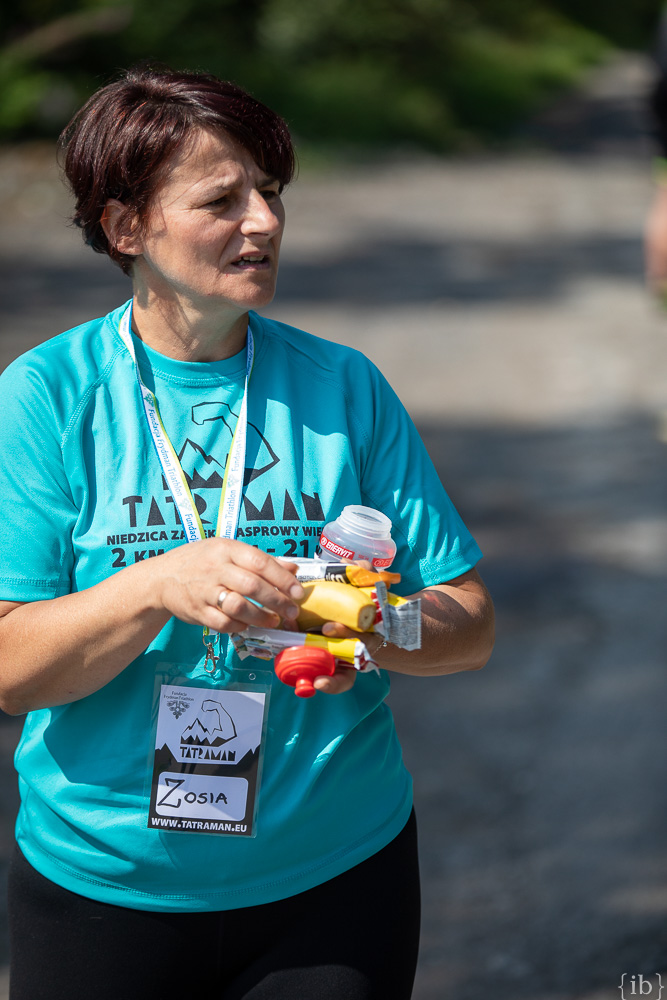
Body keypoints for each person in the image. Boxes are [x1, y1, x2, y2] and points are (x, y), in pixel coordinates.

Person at [0, 66, 494, 1000]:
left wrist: (365, 620)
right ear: (125, 227)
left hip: (335, 877)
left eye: (269, 192)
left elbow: (470, 626)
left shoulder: (344, 386)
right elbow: (9, 668)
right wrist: (153, 585)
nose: (263, 221)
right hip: (104, 886)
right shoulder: (45, 396)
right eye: (221, 200)